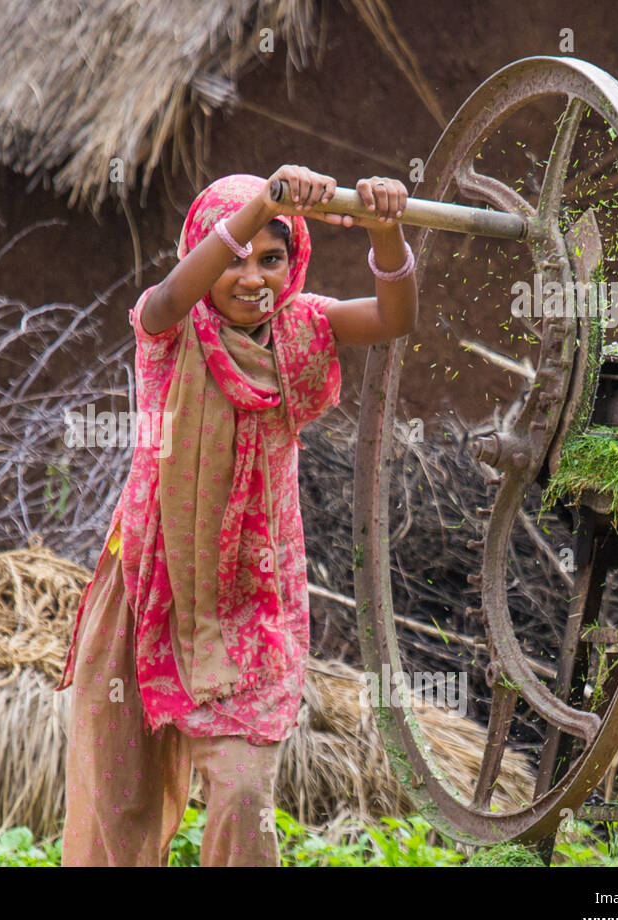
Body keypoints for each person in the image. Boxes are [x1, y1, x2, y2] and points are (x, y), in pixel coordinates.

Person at [56, 165, 417, 866]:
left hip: (252, 602)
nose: (253, 277)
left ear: (295, 261)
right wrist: (262, 205)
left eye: (273, 259)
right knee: (119, 805)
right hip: (149, 592)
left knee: (244, 795)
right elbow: (168, 294)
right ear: (208, 252)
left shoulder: (302, 329)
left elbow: (395, 319)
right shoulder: (168, 331)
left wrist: (388, 229)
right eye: (237, 257)